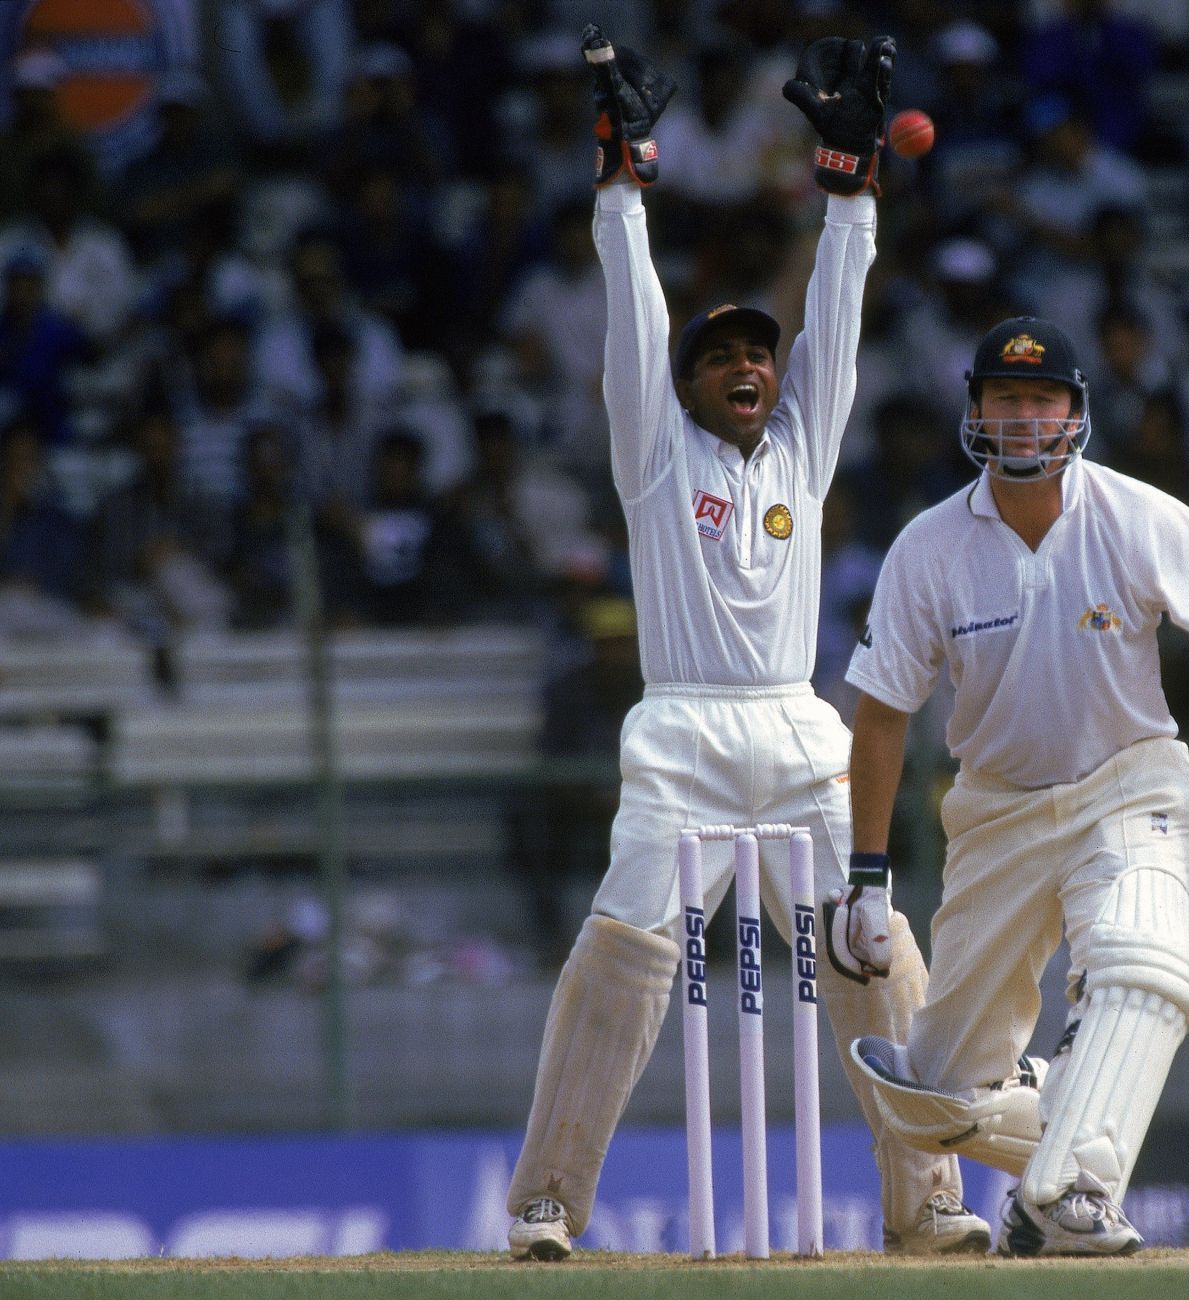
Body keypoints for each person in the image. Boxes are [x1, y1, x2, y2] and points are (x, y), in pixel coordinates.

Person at [505, 27, 989, 1262]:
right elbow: (634, 317)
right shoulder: (653, 458)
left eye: (756, 358)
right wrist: (622, 189)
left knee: (877, 951)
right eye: (719, 356)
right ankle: (549, 1200)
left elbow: (841, 308)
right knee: (620, 958)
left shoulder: (802, 453)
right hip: (678, 734)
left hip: (796, 727)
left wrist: (850, 189)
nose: (745, 369)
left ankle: (925, 1201)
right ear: (683, 384)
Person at [839, 316, 1189, 1255]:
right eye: (1005, 400)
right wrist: (868, 874)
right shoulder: (928, 549)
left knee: (1141, 969)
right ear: (975, 411)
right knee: (934, 1096)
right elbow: (883, 712)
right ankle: (1050, 1139)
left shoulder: (1139, 516)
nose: (1023, 418)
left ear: (1073, 413)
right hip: (995, 814)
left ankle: (1071, 1194)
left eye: (1042, 400)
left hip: (1127, 787)